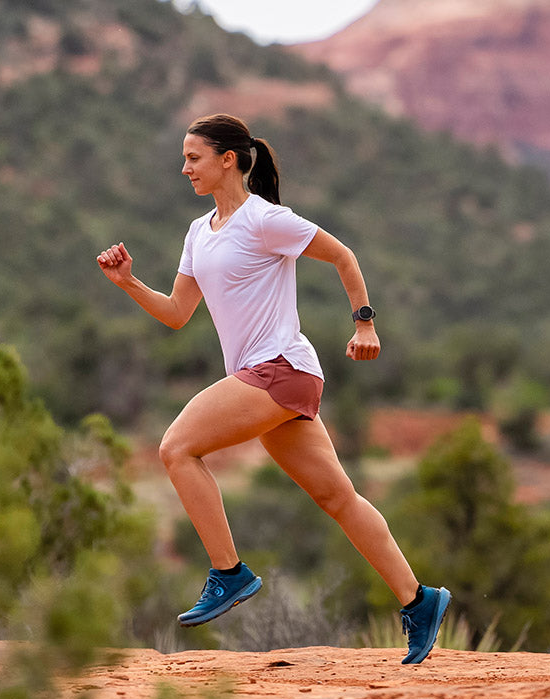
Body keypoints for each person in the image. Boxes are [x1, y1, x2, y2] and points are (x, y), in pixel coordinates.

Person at [97, 113, 450, 664]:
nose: (184, 167)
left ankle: (228, 572)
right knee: (338, 498)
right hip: (276, 377)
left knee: (176, 448)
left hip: (278, 367)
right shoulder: (198, 232)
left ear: (227, 160)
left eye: (194, 157)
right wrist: (127, 282)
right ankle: (419, 599)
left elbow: (342, 255)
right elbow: (175, 313)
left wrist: (363, 322)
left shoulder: (265, 220)